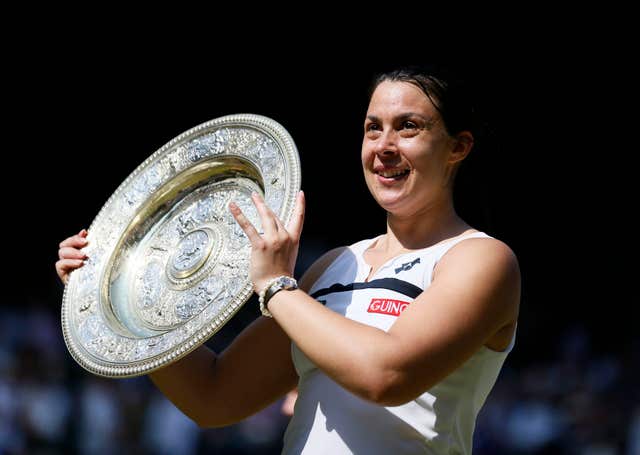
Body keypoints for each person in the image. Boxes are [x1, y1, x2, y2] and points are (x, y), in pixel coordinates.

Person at [56, 66, 520, 454]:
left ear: (458, 147)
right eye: (372, 127)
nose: (383, 146)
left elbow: (388, 375)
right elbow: (214, 397)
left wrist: (277, 286)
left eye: (408, 127)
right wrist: (114, 301)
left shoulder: (482, 260)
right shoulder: (335, 266)